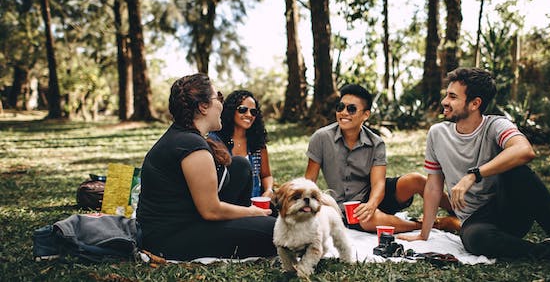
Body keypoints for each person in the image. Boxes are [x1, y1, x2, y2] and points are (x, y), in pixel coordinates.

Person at [398, 67, 550, 270]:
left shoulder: (496, 125)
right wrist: (423, 234)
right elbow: (434, 187)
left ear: (475, 103)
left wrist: (474, 174)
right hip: (476, 222)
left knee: (518, 171)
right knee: (474, 239)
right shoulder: (437, 134)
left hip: (509, 210)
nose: (445, 101)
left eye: (453, 97)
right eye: (447, 94)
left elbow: (524, 150)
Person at [136, 73, 276, 261]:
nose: (221, 104)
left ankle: (247, 225)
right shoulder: (190, 146)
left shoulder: (186, 136)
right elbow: (211, 210)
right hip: (171, 238)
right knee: (277, 232)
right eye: (218, 96)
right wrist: (252, 212)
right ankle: (250, 225)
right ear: (203, 107)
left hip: (189, 219)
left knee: (240, 166)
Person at [304, 84, 456, 233]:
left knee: (415, 179)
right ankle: (432, 225)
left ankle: (459, 211)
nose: (344, 112)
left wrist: (371, 204)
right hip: (346, 207)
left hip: (375, 196)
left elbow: (378, 184)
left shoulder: (376, 143)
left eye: (351, 109)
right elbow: (309, 181)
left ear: (366, 115)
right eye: (340, 107)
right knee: (367, 219)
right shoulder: (321, 138)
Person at [214, 90, 274, 198]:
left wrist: (269, 190)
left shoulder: (257, 143)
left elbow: (266, 175)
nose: (249, 115)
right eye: (243, 110)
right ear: (231, 111)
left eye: (253, 112)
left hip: (254, 203)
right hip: (227, 205)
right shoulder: (216, 141)